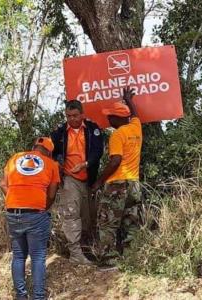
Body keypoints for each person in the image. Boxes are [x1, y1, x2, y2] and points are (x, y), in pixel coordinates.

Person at [0, 137, 60, 300]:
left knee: (19, 255)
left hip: (13, 212)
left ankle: (21, 295)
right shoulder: (51, 164)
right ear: (49, 152)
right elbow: (52, 194)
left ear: (34, 147)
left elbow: (3, 184)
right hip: (36, 214)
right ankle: (38, 297)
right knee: (38, 256)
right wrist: (41, 206)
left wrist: (15, 200)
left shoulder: (15, 158)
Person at [92, 87, 143, 262]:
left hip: (117, 185)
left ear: (118, 118)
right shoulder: (136, 128)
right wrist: (128, 99)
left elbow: (115, 161)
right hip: (134, 183)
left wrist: (99, 181)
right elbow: (135, 115)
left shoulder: (117, 135)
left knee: (107, 223)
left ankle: (108, 260)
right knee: (131, 222)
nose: (108, 118)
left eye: (110, 115)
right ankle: (131, 257)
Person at [51, 100, 104, 265]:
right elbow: (52, 151)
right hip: (69, 178)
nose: (72, 119)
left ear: (82, 114)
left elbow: (98, 151)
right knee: (72, 214)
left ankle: (87, 249)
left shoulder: (92, 129)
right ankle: (75, 253)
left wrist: (86, 164)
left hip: (88, 178)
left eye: (75, 115)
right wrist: (57, 161)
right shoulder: (60, 132)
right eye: (68, 116)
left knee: (87, 216)